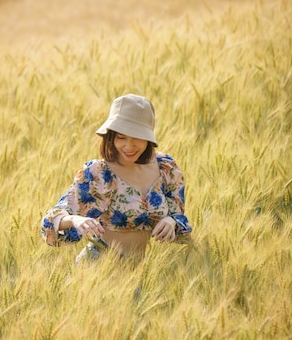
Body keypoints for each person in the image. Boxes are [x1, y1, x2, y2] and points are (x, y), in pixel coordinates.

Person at [41, 94, 192, 262]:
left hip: (140, 270)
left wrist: (171, 221)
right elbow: (51, 219)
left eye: (137, 137)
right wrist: (75, 219)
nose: (128, 146)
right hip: (99, 265)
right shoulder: (99, 173)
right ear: (111, 137)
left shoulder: (165, 167)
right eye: (121, 137)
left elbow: (178, 215)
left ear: (148, 137)